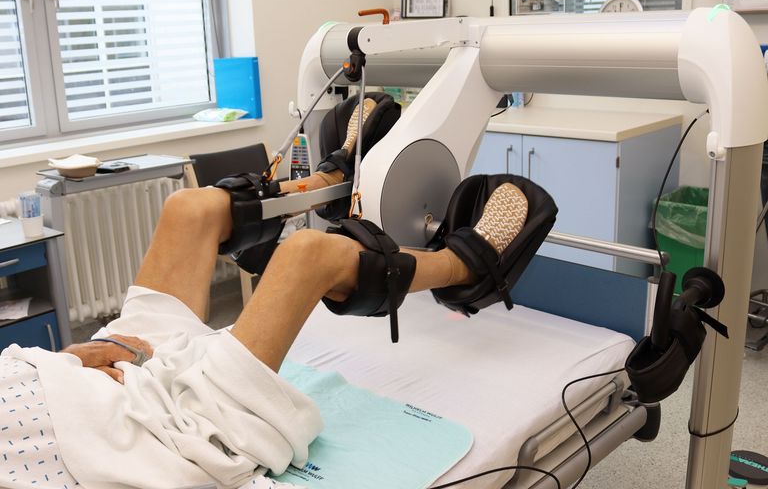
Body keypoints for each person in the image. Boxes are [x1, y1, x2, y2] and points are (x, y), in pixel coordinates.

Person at [0, 104, 529, 489]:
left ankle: (328, 180)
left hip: (93, 375)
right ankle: (465, 269)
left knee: (190, 208)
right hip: (153, 438)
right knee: (306, 254)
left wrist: (74, 355)